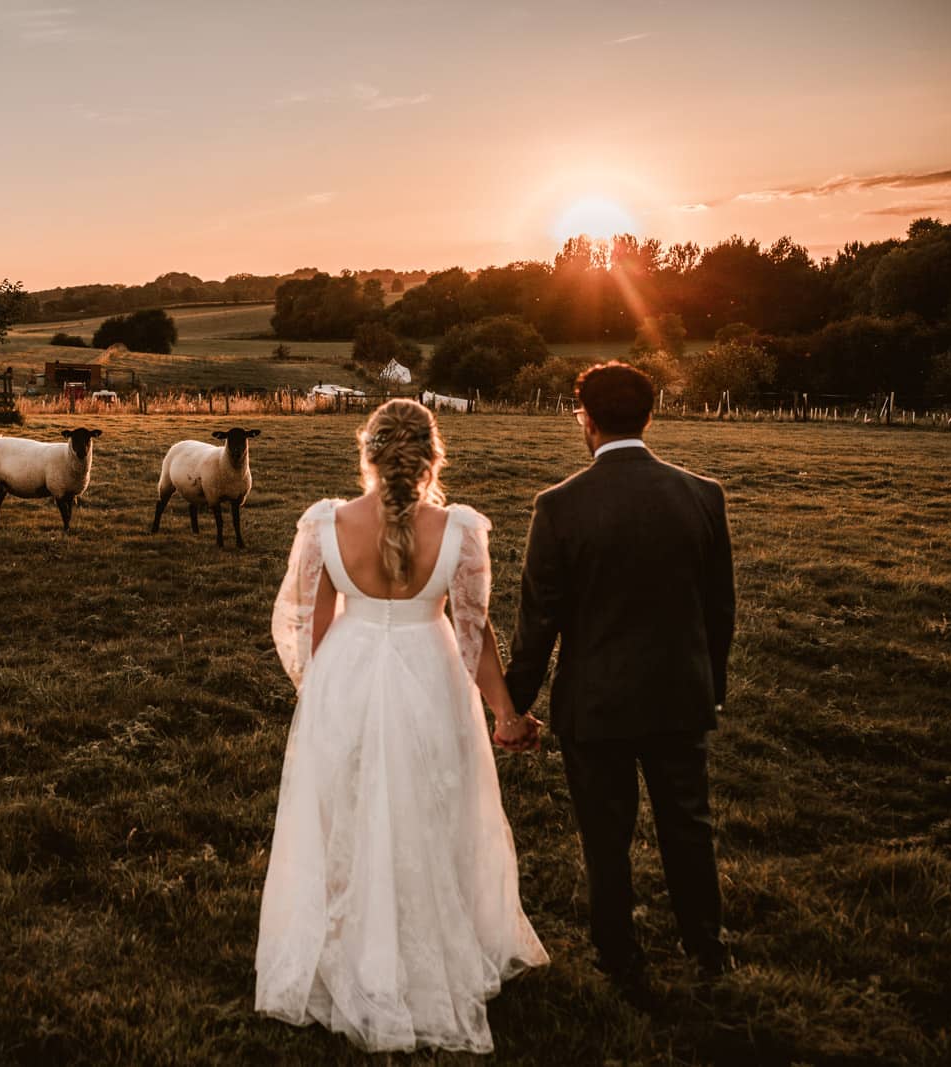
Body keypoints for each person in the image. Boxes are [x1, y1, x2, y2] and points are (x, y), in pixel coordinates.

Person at [257, 398, 547, 1054]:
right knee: (432, 812)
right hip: (431, 677)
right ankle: (426, 946)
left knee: (352, 815)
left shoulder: (325, 524)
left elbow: (311, 624)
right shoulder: (461, 530)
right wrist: (505, 714)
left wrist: (323, 692)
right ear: (431, 454)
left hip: (349, 677)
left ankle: (354, 947)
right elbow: (474, 634)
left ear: (368, 449)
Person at [504, 361, 735, 1003]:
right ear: (649, 415)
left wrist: (510, 708)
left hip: (595, 703)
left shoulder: (558, 506)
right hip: (679, 695)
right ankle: (707, 947)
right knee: (688, 822)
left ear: (588, 418)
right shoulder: (702, 494)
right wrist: (708, 686)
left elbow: (537, 622)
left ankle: (620, 956)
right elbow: (721, 609)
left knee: (605, 835)